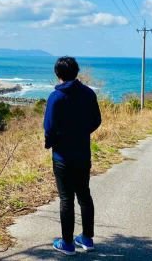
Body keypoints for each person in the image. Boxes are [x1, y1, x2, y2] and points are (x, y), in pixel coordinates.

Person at [44, 56, 102, 256]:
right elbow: (96, 120)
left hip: (62, 156)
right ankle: (87, 239)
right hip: (83, 153)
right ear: (76, 72)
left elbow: (49, 127)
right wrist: (81, 133)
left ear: (57, 74)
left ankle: (67, 244)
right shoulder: (88, 94)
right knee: (84, 195)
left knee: (66, 198)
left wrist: (51, 142)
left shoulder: (56, 97)